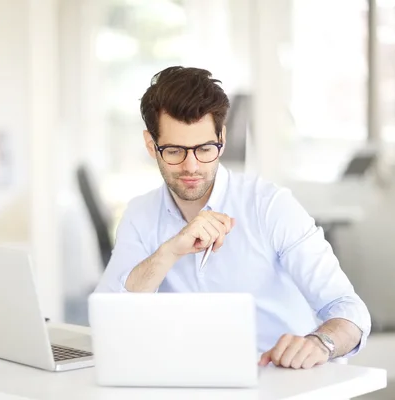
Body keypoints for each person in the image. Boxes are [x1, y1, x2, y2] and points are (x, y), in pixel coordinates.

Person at [94, 66, 371, 370]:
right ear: (151, 145)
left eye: (204, 149)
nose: (191, 166)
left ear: (222, 139)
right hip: (187, 382)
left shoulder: (269, 206)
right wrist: (170, 251)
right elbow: (108, 319)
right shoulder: (140, 215)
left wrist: (321, 343)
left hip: (279, 381)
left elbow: (349, 310)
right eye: (174, 151)